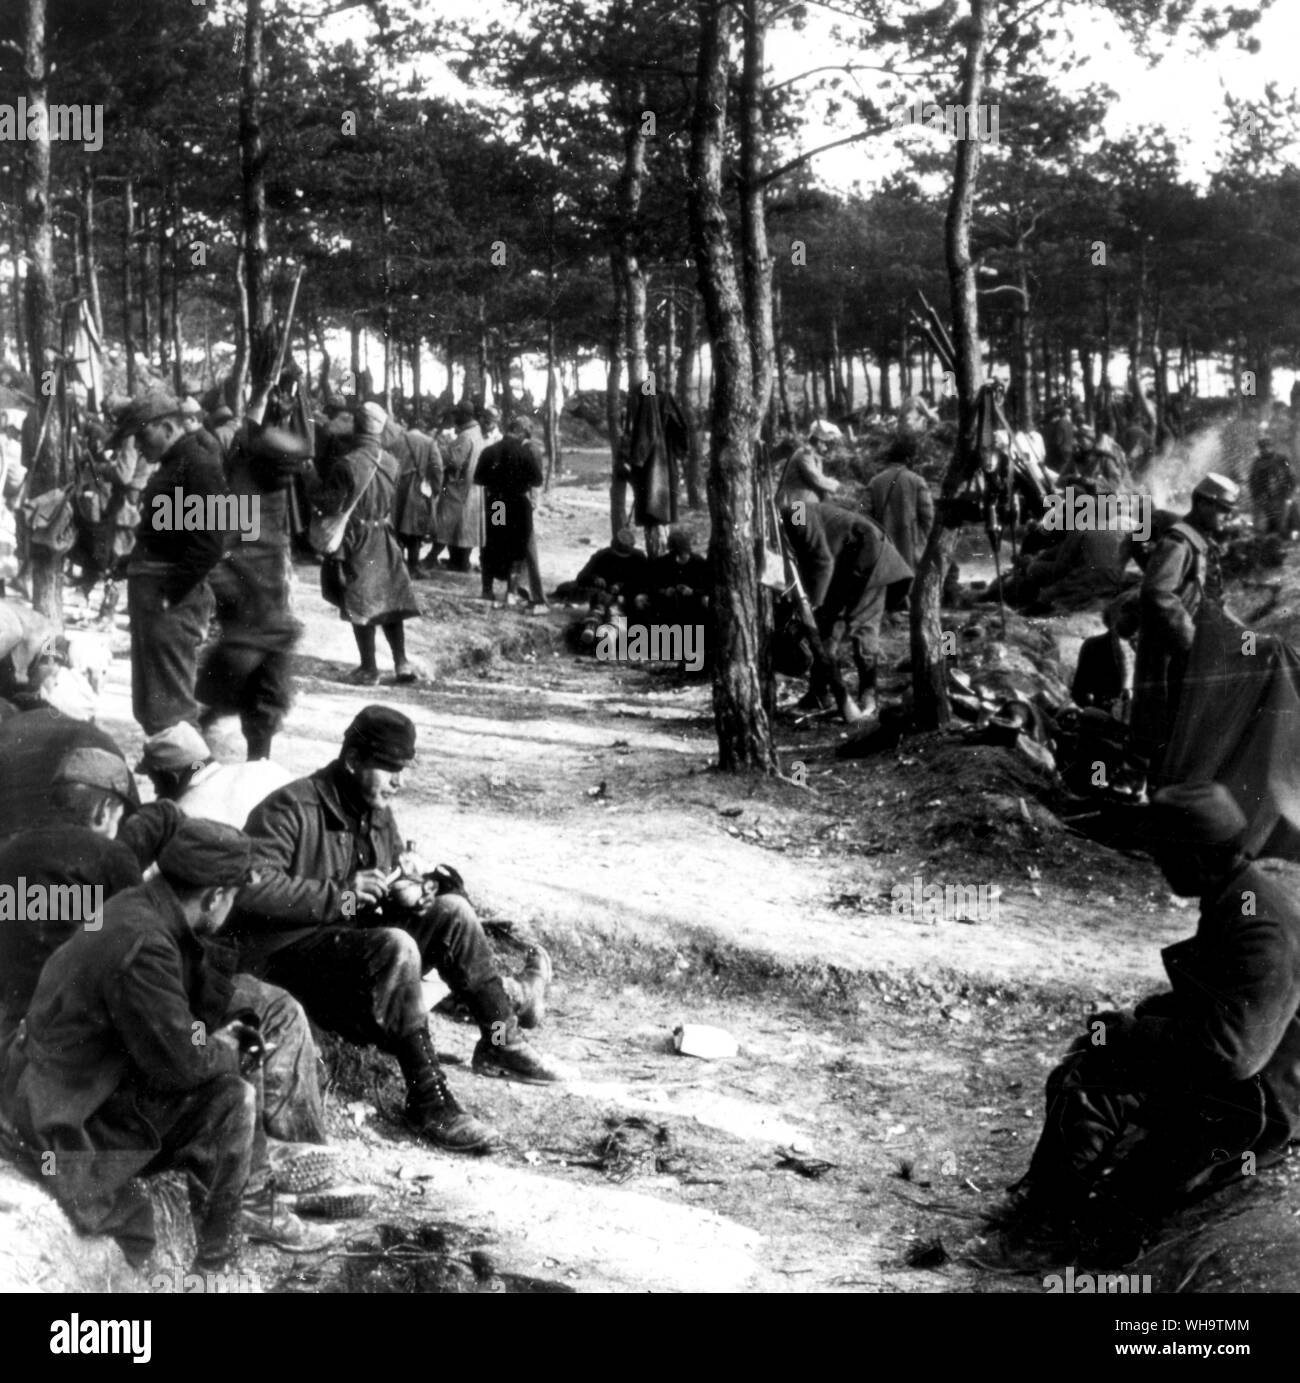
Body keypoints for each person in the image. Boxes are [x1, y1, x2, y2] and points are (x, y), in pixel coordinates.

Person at [1, 819, 333, 1275]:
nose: (231, 908)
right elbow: (181, 1063)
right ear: (215, 896)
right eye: (232, 897)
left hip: (69, 1086)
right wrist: (228, 1050)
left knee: (234, 1055)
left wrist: (217, 1034)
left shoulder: (135, 908)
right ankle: (218, 1267)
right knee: (234, 1099)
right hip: (65, 1118)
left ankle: (252, 1200)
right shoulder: (146, 944)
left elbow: (172, 1020)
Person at [227, 707, 564, 1155]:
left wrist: (406, 893)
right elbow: (248, 889)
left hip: (346, 949)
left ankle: (500, 1041)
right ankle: (428, 1100)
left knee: (453, 912)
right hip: (284, 960)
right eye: (389, 769)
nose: (398, 782)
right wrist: (342, 895)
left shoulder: (377, 813)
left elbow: (376, 893)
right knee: (398, 945)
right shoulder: (291, 807)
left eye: (402, 769)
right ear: (352, 761)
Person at [992, 783, 1300, 1262]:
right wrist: (1137, 1022)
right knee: (1092, 1062)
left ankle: (1050, 1232)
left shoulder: (1257, 925)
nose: (1159, 867)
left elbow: (1233, 1054)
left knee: (1121, 1203)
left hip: (1261, 1100)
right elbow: (1219, 1004)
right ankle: (1048, 1212)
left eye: (1165, 856)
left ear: (1196, 858)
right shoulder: (1237, 895)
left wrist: (1133, 1033)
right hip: (1249, 1074)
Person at [120, 391, 231, 735]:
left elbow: (210, 543)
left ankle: (191, 779)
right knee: (154, 706)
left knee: (173, 712)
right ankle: (172, 779)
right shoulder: (174, 465)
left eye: (142, 436)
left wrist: (169, 593)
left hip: (171, 602)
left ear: (167, 426)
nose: (138, 446)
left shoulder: (198, 466)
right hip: (157, 597)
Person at [198, 425, 306, 759]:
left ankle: (257, 767)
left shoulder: (270, 491)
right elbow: (213, 557)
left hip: (272, 620)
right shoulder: (238, 497)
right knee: (218, 703)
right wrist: (238, 597)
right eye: (283, 471)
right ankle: (187, 768)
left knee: (265, 705)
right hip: (248, 624)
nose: (288, 480)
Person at [1132, 472, 1238, 765]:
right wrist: (1190, 640)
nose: (1227, 518)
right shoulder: (1178, 542)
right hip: (1169, 651)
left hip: (1186, 651)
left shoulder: (1201, 542)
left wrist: (1248, 637)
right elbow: (1157, 591)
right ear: (1203, 504)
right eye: (1223, 510)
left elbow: (1212, 601)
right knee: (1162, 726)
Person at [313, 401, 421, 686]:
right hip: (384, 537)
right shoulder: (392, 463)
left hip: (356, 539)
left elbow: (331, 506)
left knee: (360, 601)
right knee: (390, 601)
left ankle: (369, 668)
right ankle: (401, 662)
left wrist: (308, 478)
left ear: (357, 427)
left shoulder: (346, 464)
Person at [781, 502, 912, 719]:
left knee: (863, 627)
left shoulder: (796, 511)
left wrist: (812, 605)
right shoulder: (777, 527)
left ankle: (869, 695)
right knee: (826, 631)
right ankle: (820, 694)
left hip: (870, 558)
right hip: (843, 569)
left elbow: (821, 561)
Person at [136, 721, 292, 828]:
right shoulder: (263, 768)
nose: (156, 792)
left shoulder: (188, 811)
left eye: (155, 782)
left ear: (171, 778)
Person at [476, 415, 545, 609]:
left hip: (498, 504)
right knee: (517, 548)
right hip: (518, 506)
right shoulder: (525, 453)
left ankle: (487, 590)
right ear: (521, 432)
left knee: (493, 544)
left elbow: (479, 479)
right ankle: (511, 593)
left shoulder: (490, 451)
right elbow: (537, 481)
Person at [865, 437, 934, 613]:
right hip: (909, 542)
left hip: (883, 541)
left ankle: (893, 607)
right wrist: (923, 540)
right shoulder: (917, 481)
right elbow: (928, 516)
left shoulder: (875, 481)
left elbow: (862, 512)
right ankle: (907, 605)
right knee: (909, 575)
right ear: (909, 459)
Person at [388, 415, 444, 579]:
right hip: (417, 488)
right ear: (423, 427)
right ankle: (413, 566)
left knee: (397, 527)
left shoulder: (395, 441)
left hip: (396, 488)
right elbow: (437, 467)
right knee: (415, 529)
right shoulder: (429, 442)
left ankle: (397, 566)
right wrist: (436, 488)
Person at [432, 404, 485, 573]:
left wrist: (441, 450)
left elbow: (453, 461)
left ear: (464, 415)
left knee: (448, 523)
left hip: (459, 487)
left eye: (457, 415)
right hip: (471, 487)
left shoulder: (465, 436)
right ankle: (459, 561)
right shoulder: (476, 433)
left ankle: (438, 558)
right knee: (464, 528)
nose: (454, 419)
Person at [553, 527, 649, 606]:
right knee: (565, 588)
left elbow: (645, 582)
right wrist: (595, 579)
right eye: (616, 555)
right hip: (600, 591)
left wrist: (622, 586)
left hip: (627, 594)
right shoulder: (602, 555)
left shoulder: (639, 558)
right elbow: (581, 576)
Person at [775, 433, 840, 513]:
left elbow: (818, 476)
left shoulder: (812, 455)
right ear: (819, 443)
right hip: (796, 500)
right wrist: (836, 485)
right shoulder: (805, 454)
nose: (826, 448)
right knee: (797, 524)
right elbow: (815, 478)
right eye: (824, 444)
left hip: (803, 500)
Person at [1248, 434, 1296, 537]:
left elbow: (1291, 476)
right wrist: (1255, 495)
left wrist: (1288, 493)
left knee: (1281, 525)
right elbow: (1252, 480)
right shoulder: (1257, 462)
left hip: (1280, 496)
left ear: (1271, 446)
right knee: (1258, 525)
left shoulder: (1282, 459)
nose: (1264, 449)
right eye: (1262, 447)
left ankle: (1281, 539)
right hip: (1263, 497)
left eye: (1267, 446)